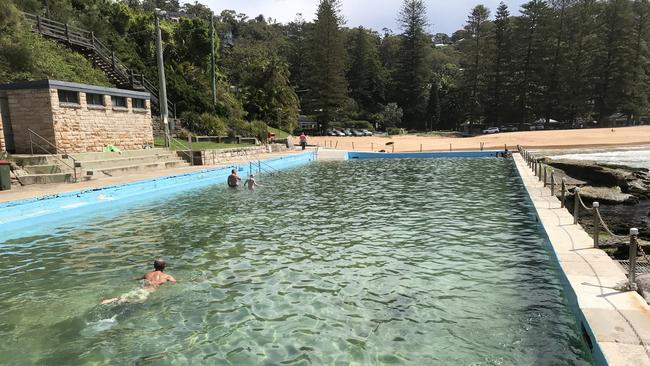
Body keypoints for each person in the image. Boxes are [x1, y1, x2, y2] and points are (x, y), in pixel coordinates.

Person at [101, 258, 176, 305]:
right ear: (164, 266)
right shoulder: (167, 276)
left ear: (154, 266)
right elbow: (174, 282)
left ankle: (111, 300)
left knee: (128, 295)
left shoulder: (148, 274)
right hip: (148, 291)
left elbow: (139, 279)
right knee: (139, 301)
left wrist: (132, 279)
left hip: (141, 288)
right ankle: (123, 300)